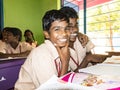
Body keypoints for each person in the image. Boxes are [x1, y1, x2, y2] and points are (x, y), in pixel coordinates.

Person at [14, 9, 79, 89]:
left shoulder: (63, 49)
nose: (64, 33)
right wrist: (65, 62)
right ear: (46, 34)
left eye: (66, 28)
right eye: (57, 29)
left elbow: (69, 76)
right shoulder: (41, 54)